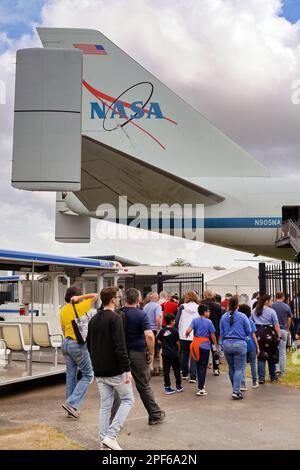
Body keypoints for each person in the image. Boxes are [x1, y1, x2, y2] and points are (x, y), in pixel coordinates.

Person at [87, 287, 134, 451]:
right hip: (115, 369)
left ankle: (104, 442)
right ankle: (111, 436)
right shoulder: (115, 319)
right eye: (118, 296)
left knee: (105, 406)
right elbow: (120, 346)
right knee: (128, 399)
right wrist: (127, 368)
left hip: (99, 369)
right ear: (113, 299)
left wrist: (95, 363)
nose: (120, 298)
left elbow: (89, 344)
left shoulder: (93, 319)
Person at [122, 288, 165, 425]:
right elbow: (149, 336)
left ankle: (114, 419)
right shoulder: (140, 315)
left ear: (125, 299)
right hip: (138, 353)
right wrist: (151, 352)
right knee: (144, 385)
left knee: (116, 387)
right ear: (139, 300)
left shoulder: (119, 313)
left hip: (122, 352)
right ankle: (155, 414)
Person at [60, 287, 98, 418]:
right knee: (88, 375)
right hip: (77, 344)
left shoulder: (63, 310)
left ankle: (70, 409)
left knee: (71, 376)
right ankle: (71, 403)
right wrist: (80, 298)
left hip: (65, 343)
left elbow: (63, 329)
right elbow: (95, 295)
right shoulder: (81, 306)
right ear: (76, 296)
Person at [220, 296, 251, 399]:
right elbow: (248, 331)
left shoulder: (224, 317)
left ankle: (235, 388)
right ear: (237, 305)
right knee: (239, 369)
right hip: (240, 344)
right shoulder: (242, 316)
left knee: (231, 368)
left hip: (227, 344)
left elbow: (222, 332)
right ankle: (236, 390)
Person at [185, 305, 218, 396]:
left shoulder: (195, 320)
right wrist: (215, 345)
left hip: (195, 345)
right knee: (203, 367)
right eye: (208, 311)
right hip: (205, 346)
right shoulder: (209, 322)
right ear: (204, 312)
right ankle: (201, 388)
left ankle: (201, 385)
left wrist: (187, 335)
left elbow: (188, 330)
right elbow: (212, 335)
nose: (209, 313)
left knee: (197, 365)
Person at [251, 294, 281, 384]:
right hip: (270, 334)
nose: (272, 302)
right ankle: (273, 377)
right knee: (271, 356)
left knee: (261, 356)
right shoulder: (272, 311)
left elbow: (251, 322)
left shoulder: (254, 311)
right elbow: (276, 325)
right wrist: (279, 336)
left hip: (258, 334)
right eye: (271, 300)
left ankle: (261, 378)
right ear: (267, 301)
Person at [176, 290, 200, 383]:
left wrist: (177, 331)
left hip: (183, 334)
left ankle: (184, 373)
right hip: (195, 333)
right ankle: (193, 376)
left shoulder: (182, 307)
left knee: (184, 354)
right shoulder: (199, 307)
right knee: (193, 355)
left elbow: (177, 321)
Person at [157, 314, 183, 394]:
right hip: (174, 353)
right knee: (176, 370)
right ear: (172, 321)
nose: (174, 322)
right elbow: (178, 342)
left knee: (166, 371)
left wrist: (164, 344)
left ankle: (167, 387)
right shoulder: (175, 331)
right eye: (174, 320)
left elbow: (158, 340)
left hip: (165, 353)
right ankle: (178, 386)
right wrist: (178, 350)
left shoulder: (162, 330)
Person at [201, 290, 222, 376]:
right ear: (212, 296)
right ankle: (216, 368)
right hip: (214, 330)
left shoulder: (201, 305)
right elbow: (220, 318)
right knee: (215, 349)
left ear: (205, 295)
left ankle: (202, 367)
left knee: (203, 349)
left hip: (203, 331)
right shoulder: (217, 306)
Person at [238, 304, 260, 389]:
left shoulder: (238, 321)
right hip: (251, 344)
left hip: (242, 344)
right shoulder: (250, 321)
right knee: (253, 363)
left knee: (242, 364)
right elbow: (253, 335)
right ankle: (254, 382)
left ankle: (243, 384)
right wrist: (257, 346)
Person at [272, 292, 292, 376]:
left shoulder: (272, 305)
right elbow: (289, 318)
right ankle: (282, 371)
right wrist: (287, 328)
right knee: (282, 351)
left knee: (274, 350)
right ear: (283, 297)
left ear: (275, 297)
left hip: (273, 330)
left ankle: (276, 368)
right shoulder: (286, 306)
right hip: (283, 329)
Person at [143, 292, 162, 373]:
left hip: (146, 329)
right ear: (157, 298)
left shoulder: (145, 306)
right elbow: (158, 318)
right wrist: (159, 329)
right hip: (154, 329)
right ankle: (161, 366)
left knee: (149, 349)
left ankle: (150, 367)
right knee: (160, 348)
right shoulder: (157, 306)